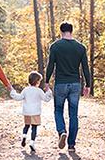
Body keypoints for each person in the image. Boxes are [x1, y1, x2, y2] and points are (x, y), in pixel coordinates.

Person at [45, 21, 91, 152]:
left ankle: (61, 132)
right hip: (75, 84)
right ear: (72, 31)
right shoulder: (81, 47)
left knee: (58, 110)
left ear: (61, 31)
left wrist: (47, 81)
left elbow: (50, 65)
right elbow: (85, 68)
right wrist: (88, 84)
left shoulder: (55, 46)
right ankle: (71, 145)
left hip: (60, 83)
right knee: (73, 115)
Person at [10, 71, 52, 152]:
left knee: (26, 126)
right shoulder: (39, 91)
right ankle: (32, 142)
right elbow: (46, 99)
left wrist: (12, 91)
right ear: (37, 82)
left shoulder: (26, 90)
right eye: (39, 81)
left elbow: (18, 97)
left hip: (27, 112)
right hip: (35, 112)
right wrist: (48, 91)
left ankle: (24, 137)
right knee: (34, 127)